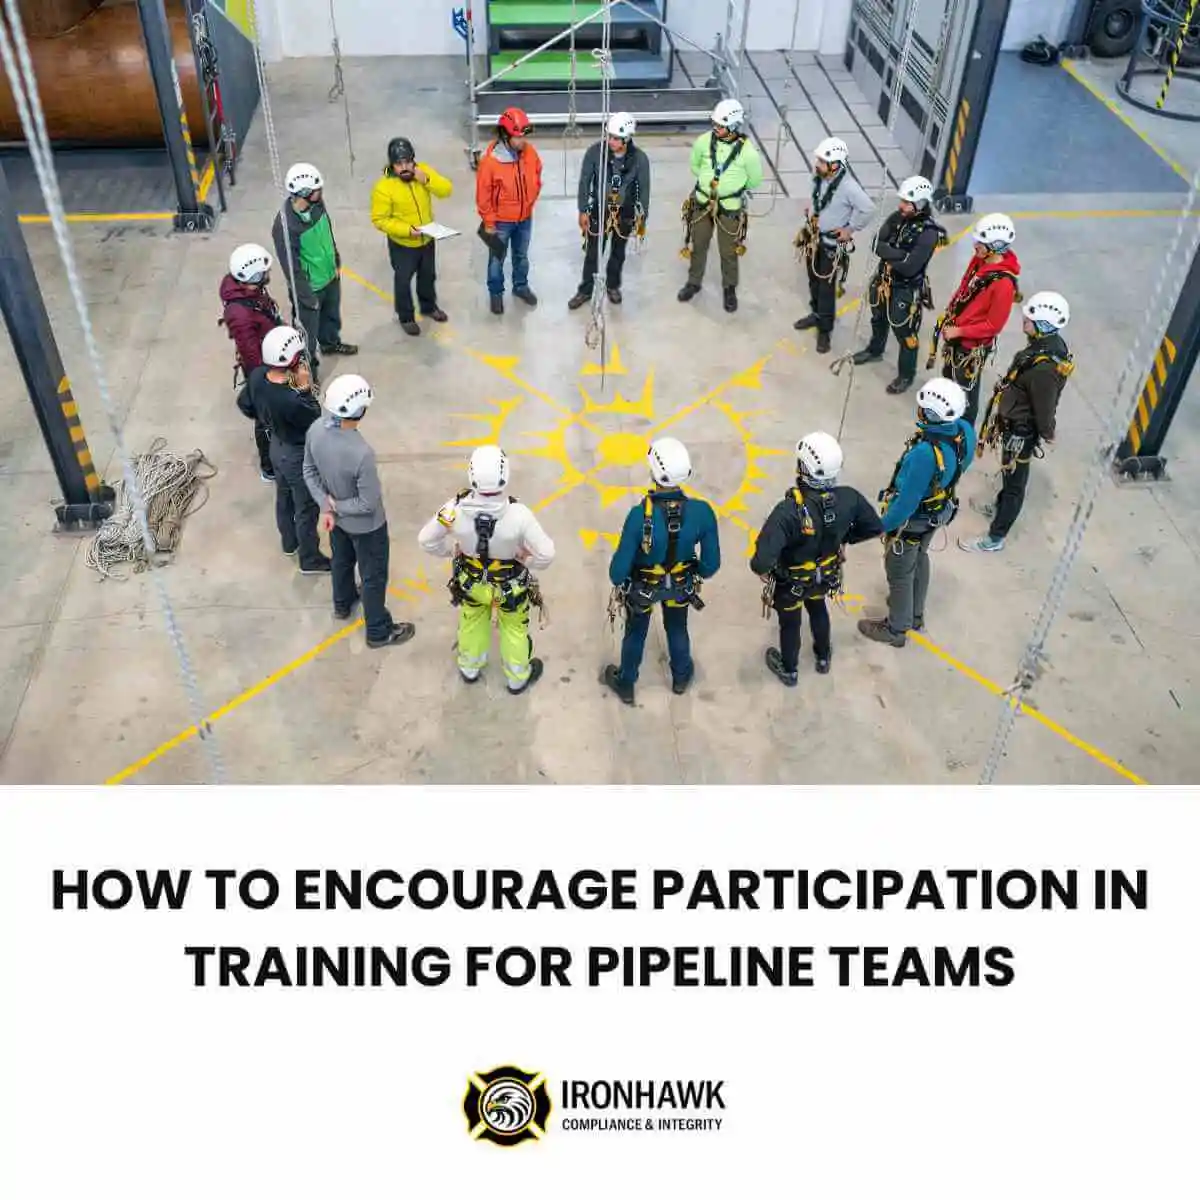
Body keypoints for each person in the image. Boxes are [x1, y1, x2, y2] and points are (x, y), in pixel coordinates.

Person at [417, 446, 555, 693]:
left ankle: (469, 668)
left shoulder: (454, 509)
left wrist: (451, 551)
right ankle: (517, 678)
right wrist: (527, 561)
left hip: (471, 583)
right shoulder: (519, 515)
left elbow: (426, 539)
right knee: (514, 630)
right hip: (510, 588)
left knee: (472, 621)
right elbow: (547, 554)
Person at [750, 432, 882, 686]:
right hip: (825, 576)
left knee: (790, 624)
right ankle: (823, 657)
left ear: (802, 468)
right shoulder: (849, 498)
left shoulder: (787, 512)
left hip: (791, 584)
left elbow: (761, 561)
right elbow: (874, 527)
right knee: (818, 607)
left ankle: (790, 670)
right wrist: (844, 538)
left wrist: (766, 568)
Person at [857, 377, 976, 648]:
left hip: (914, 520)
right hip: (939, 509)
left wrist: (879, 526)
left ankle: (897, 629)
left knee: (899, 570)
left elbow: (905, 505)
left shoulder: (924, 454)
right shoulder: (965, 432)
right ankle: (915, 614)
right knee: (919, 556)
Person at [604, 437, 721, 703]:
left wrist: (626, 579)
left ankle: (627, 681)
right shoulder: (702, 513)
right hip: (680, 587)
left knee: (636, 632)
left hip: (643, 590)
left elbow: (617, 572)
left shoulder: (638, 516)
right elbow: (711, 565)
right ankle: (680, 676)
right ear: (687, 473)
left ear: (653, 472)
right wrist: (692, 571)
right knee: (677, 627)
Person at [303, 374, 415, 650]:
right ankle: (378, 630)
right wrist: (338, 506)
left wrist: (327, 507)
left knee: (341, 560)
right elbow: (368, 503)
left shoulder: (315, 429)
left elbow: (309, 471)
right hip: (368, 528)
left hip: (336, 522)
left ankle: (342, 603)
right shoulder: (361, 453)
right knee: (373, 576)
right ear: (360, 410)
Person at [959, 291, 1074, 555]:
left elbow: (1045, 405)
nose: (1023, 321)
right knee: (1009, 475)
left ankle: (995, 536)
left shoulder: (1045, 368)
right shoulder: (1044, 348)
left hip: (1021, 431)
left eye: (1029, 319)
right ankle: (1000, 508)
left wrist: (1047, 431)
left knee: (1014, 484)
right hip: (1014, 425)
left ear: (1043, 325)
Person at [238, 326, 330, 575]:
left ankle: (289, 542)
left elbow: (244, 403)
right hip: (298, 455)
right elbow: (315, 418)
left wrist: (267, 419)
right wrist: (304, 389)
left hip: (276, 448)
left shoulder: (257, 375)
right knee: (306, 509)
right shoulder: (291, 399)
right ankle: (310, 558)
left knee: (284, 496)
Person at [851, 176, 945, 394]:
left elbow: (910, 267)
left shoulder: (929, 233)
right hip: (883, 280)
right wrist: (901, 255)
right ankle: (875, 350)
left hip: (905, 289)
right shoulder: (897, 217)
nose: (901, 205)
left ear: (919, 204)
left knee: (904, 331)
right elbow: (876, 243)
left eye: (906, 201)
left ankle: (906, 374)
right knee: (878, 318)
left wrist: (891, 253)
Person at [929, 212, 1020, 426]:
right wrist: (951, 312)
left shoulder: (1004, 285)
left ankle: (964, 429)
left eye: (981, 242)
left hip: (971, 346)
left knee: (966, 388)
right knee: (949, 375)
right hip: (956, 335)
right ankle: (946, 413)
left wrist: (959, 331)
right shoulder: (980, 261)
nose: (975, 245)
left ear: (995, 246)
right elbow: (964, 286)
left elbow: (993, 325)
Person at [271, 162, 357, 384]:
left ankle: (329, 343)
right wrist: (306, 297)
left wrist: (335, 257)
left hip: (328, 276)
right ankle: (309, 371)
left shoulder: (317, 205)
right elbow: (291, 269)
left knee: (331, 316)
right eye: (317, 190)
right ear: (305, 193)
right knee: (306, 335)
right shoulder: (284, 226)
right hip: (309, 289)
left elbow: (327, 231)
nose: (321, 193)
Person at [677, 99, 763, 314]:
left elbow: (755, 180)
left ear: (734, 126)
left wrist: (729, 189)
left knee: (728, 251)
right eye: (714, 124)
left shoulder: (748, 152)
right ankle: (694, 282)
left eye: (720, 126)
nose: (716, 128)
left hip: (729, 207)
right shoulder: (703, 141)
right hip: (703, 202)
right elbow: (695, 166)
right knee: (699, 243)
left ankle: (729, 288)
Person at [793, 136, 874, 354]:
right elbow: (816, 198)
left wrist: (849, 230)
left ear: (835, 165)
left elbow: (868, 209)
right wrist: (812, 212)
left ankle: (825, 330)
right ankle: (816, 313)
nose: (816, 164)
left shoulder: (849, 187)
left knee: (826, 287)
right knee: (813, 280)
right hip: (813, 239)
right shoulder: (819, 177)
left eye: (821, 161)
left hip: (830, 245)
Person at [369, 136, 453, 336]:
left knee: (428, 276)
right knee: (403, 281)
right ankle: (406, 317)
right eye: (399, 164)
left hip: (427, 239)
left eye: (408, 162)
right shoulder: (384, 187)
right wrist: (407, 230)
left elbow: (446, 190)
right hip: (403, 244)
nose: (405, 167)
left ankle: (428, 307)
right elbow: (379, 219)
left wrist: (427, 180)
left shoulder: (422, 172)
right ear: (392, 165)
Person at [568, 112, 651, 310]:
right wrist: (583, 209)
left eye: (615, 138)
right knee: (593, 252)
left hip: (625, 212)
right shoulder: (595, 153)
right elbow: (584, 182)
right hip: (599, 209)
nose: (610, 141)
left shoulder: (639, 159)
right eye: (609, 136)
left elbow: (644, 189)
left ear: (627, 138)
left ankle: (613, 285)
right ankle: (586, 290)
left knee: (618, 252)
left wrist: (642, 217)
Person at [219, 242, 281, 482]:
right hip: (263, 371)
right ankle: (269, 467)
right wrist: (266, 380)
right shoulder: (240, 313)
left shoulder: (249, 294)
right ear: (253, 274)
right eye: (264, 272)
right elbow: (251, 353)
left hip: (269, 360)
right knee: (265, 419)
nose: (268, 275)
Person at [475, 107, 543, 316]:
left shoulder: (529, 152)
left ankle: (520, 286)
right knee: (497, 258)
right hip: (500, 222)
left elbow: (537, 172)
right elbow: (483, 195)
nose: (522, 141)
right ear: (505, 135)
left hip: (524, 218)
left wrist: (530, 201)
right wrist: (488, 222)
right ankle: (496, 293)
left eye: (523, 136)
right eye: (517, 136)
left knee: (521, 256)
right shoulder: (490, 162)